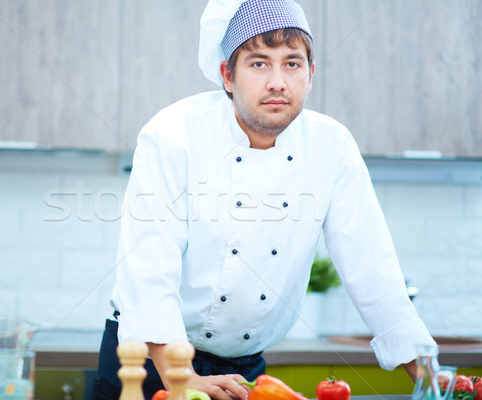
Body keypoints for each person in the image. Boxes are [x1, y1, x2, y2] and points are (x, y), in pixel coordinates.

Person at [94, 1, 436, 399]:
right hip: (148, 361)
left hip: (247, 368)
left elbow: (371, 263)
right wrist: (182, 378)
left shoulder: (332, 146)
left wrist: (430, 375)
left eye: (292, 64)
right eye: (259, 63)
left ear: (310, 74)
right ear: (227, 76)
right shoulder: (173, 135)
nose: (278, 82)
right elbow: (149, 266)